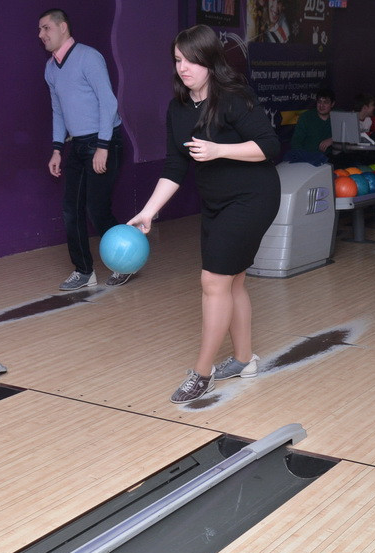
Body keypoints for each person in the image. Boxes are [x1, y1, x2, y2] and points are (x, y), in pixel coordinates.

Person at [127, 25, 280, 403]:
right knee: (233, 282)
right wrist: (148, 212)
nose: (184, 68)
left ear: (210, 61)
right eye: (178, 60)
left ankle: (202, 373)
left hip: (252, 198)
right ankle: (244, 360)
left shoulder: (233, 98)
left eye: (192, 60)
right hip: (216, 203)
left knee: (213, 281)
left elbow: (269, 146)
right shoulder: (178, 108)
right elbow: (175, 167)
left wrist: (219, 150)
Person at [40, 9, 127, 290]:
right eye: (40, 30)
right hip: (77, 145)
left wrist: (103, 145)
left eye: (46, 28)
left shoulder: (89, 57)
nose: (41, 35)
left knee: (96, 209)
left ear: (63, 27)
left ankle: (125, 263)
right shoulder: (50, 69)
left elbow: (108, 102)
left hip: (104, 141)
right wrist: (57, 149)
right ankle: (84, 271)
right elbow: (58, 111)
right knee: (71, 210)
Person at [290, 88, 335, 155]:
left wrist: (333, 139)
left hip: (331, 158)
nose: (321, 105)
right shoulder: (306, 117)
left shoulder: (337, 116)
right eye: (319, 102)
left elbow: (350, 137)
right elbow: (296, 143)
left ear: (332, 104)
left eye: (325, 102)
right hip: (309, 157)